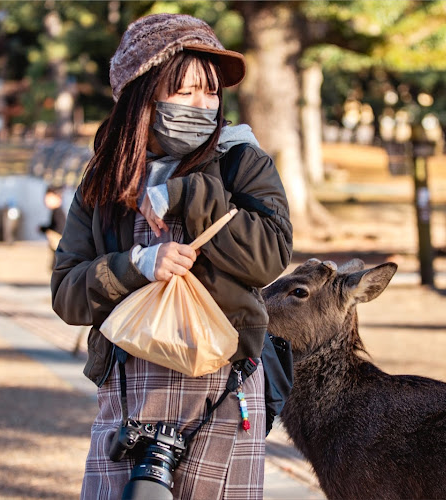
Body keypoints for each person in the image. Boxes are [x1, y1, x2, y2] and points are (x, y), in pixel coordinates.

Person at [50, 13, 292, 499]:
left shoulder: (241, 162)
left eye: (211, 92)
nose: (202, 105)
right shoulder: (105, 181)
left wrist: (189, 195)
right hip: (128, 391)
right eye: (183, 92)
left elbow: (269, 255)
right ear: (142, 94)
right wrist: (136, 266)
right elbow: (67, 294)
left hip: (223, 389)